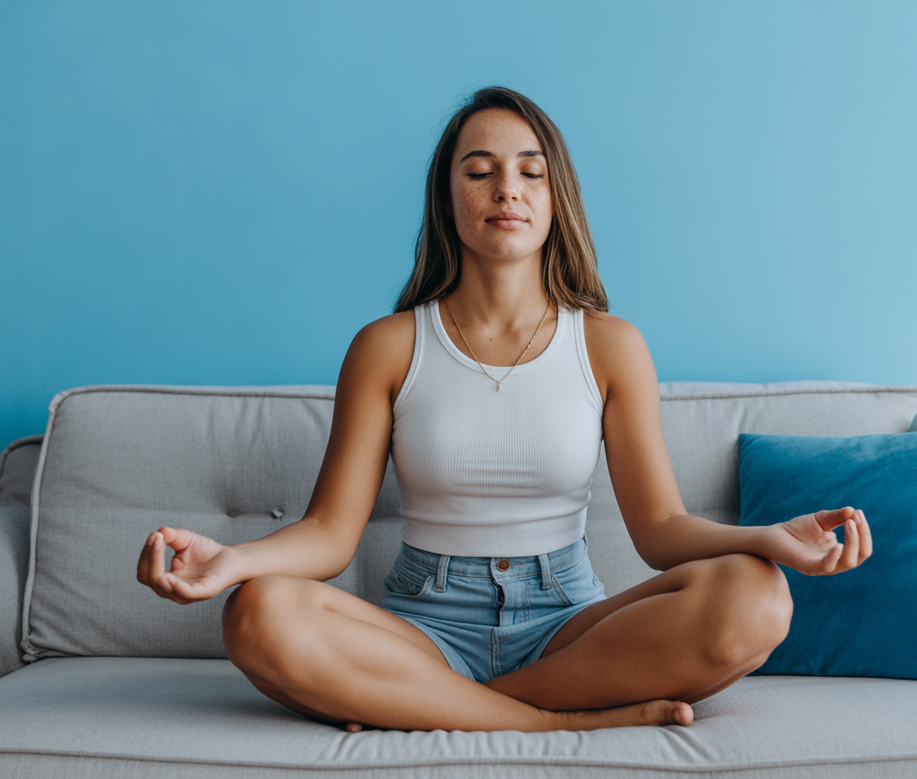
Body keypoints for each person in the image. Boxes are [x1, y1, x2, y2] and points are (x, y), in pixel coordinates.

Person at [137, 86, 872, 733]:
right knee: (257, 611)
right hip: (420, 628)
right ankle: (550, 719)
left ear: (556, 199)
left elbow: (660, 531)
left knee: (755, 596)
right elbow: (330, 533)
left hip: (569, 626)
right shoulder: (386, 346)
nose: (506, 190)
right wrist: (234, 561)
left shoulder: (610, 345)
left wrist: (768, 539)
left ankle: (430, 705)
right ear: (447, 198)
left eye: (530, 171)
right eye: (479, 171)